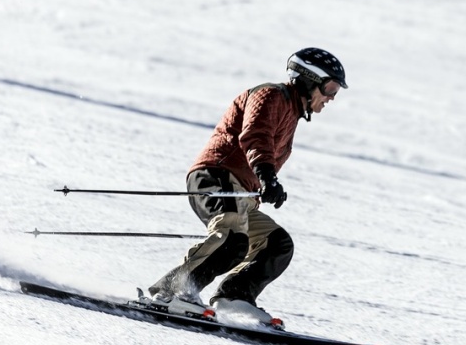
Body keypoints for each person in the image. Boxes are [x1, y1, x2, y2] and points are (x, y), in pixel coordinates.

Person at [146, 48, 347, 326]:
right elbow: (255, 135)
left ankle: (234, 296)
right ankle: (171, 292)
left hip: (242, 193)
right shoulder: (272, 95)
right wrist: (267, 177)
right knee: (232, 240)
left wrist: (264, 184)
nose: (331, 98)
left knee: (276, 244)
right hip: (217, 176)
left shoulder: (291, 113)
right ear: (308, 79)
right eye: (330, 88)